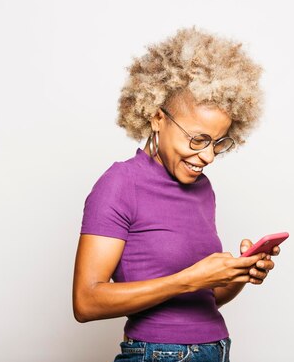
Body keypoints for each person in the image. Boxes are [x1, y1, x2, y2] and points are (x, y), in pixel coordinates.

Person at [72, 27, 281, 362]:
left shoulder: (202, 189)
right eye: (197, 140)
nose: (208, 157)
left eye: (218, 143)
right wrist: (187, 280)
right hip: (158, 354)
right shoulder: (120, 183)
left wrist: (237, 274)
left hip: (216, 350)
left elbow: (204, 299)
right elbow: (86, 302)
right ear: (157, 117)